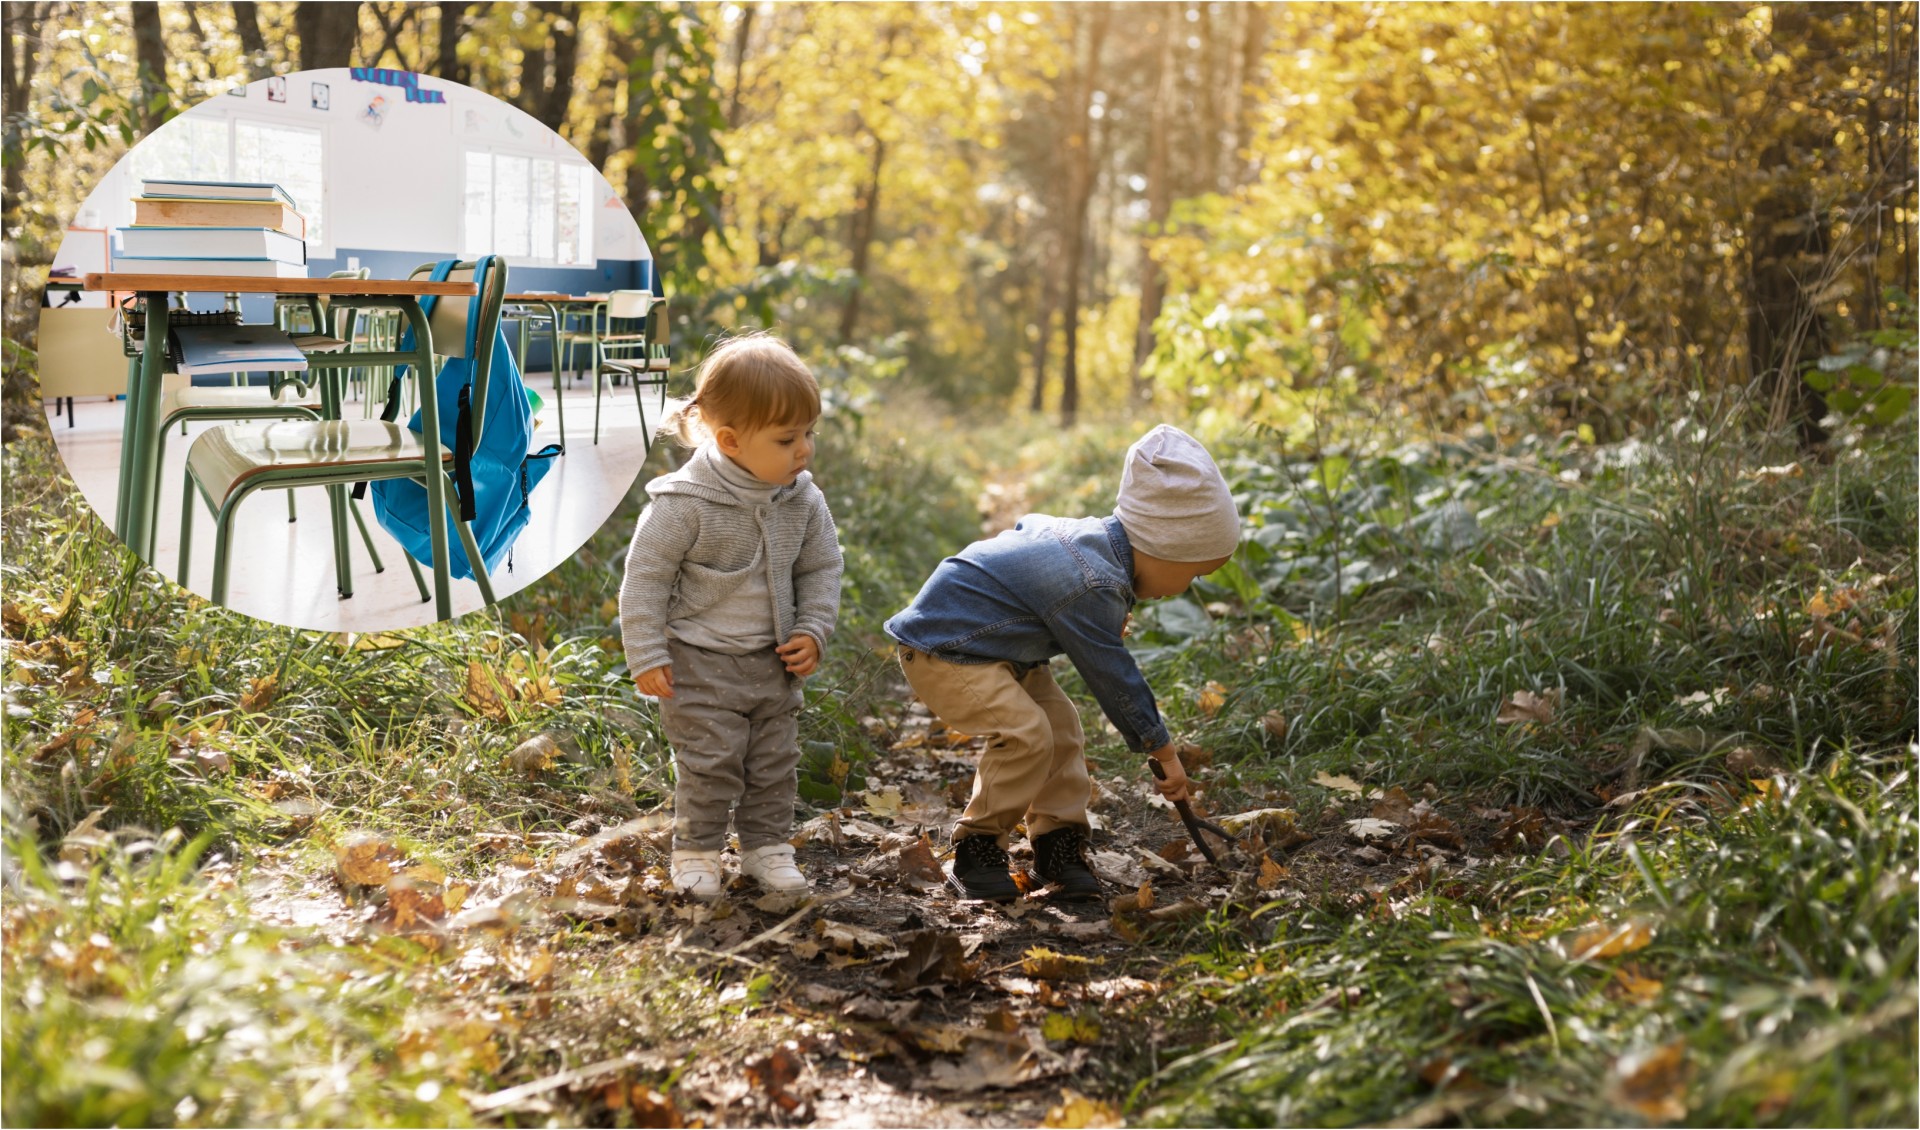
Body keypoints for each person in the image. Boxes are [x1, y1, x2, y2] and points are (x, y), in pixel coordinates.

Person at [884, 425, 1240, 901]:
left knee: (1062, 728)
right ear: (1164, 545)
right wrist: (1163, 752)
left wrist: (1085, 618)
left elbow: (1028, 538)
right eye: (1194, 571)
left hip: (1001, 652)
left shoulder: (1091, 547)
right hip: (945, 648)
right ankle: (977, 849)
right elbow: (1113, 677)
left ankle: (1057, 842)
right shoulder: (1093, 583)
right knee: (1026, 733)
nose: (1190, 585)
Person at [619, 335, 843, 898]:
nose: (804, 451)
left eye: (808, 434)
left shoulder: (803, 500)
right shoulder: (682, 505)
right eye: (787, 439)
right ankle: (695, 852)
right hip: (698, 661)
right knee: (711, 763)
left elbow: (821, 568)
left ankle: (768, 848)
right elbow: (645, 580)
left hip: (772, 662)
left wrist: (812, 628)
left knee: (774, 762)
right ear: (730, 441)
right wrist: (647, 653)